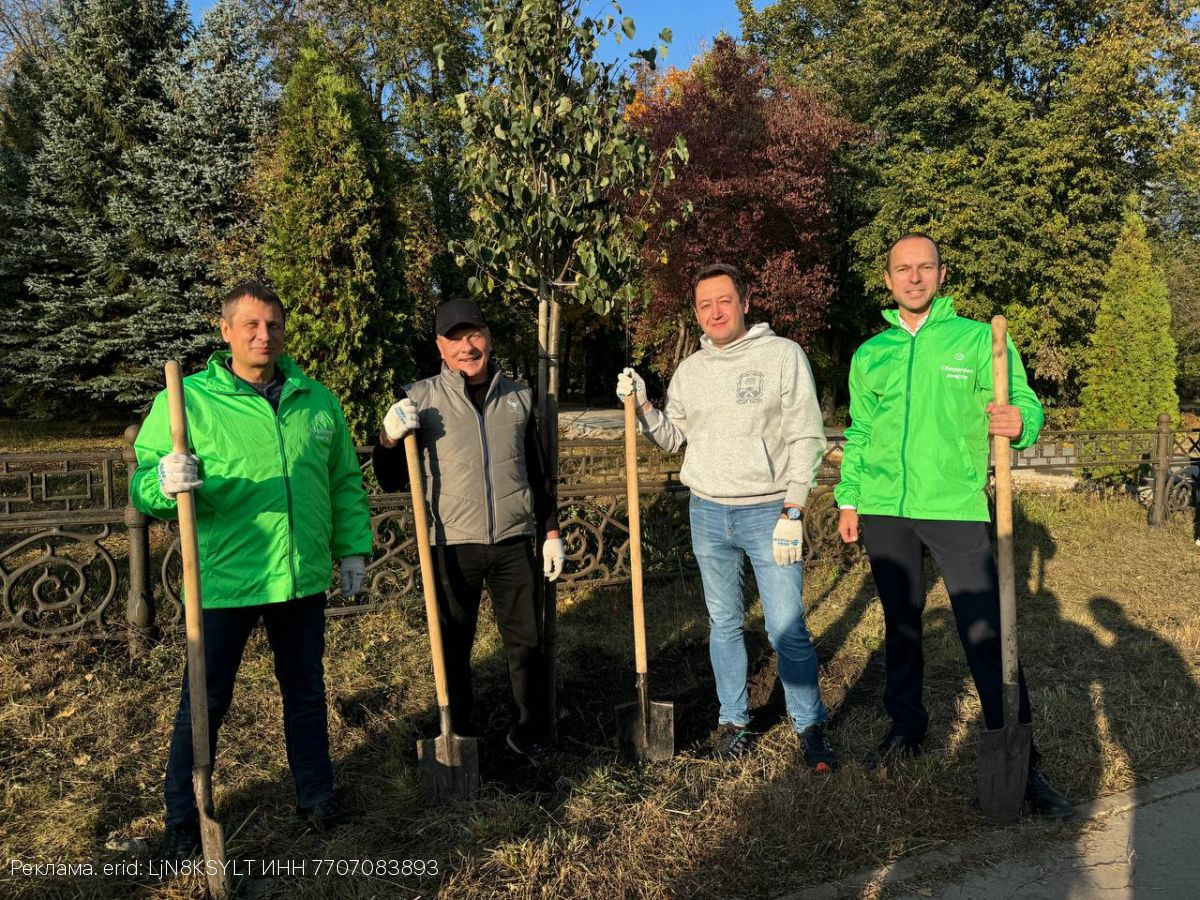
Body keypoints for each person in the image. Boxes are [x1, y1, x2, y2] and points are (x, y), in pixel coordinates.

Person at [131, 281, 373, 862]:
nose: (265, 336)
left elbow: (342, 480)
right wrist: (164, 482)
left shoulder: (316, 400)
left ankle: (317, 797)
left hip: (298, 577)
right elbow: (143, 484)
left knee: (306, 693)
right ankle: (185, 818)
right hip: (223, 580)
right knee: (205, 702)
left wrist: (353, 547)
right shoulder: (188, 401)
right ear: (226, 331)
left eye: (274, 326)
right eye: (251, 326)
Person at [835, 233, 1071, 815]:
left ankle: (1021, 756)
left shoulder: (978, 340)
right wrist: (849, 499)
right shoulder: (870, 354)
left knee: (987, 631)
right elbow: (860, 435)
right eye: (901, 269)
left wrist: (1021, 421)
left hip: (955, 505)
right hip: (885, 508)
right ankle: (906, 730)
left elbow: (1023, 403)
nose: (913, 277)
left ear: (941, 275)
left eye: (924, 267)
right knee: (901, 625)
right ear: (887, 280)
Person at [617, 263, 835, 770]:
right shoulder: (691, 370)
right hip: (709, 513)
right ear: (697, 313)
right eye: (704, 305)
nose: (715, 312)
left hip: (769, 513)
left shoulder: (782, 356)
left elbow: (808, 435)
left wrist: (794, 506)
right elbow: (672, 438)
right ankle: (734, 720)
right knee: (724, 622)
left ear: (743, 302)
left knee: (787, 627)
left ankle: (810, 724)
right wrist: (644, 404)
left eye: (724, 301)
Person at [372, 298, 566, 766]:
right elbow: (391, 479)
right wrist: (388, 437)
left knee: (526, 645)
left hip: (514, 542)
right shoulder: (419, 398)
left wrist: (552, 529)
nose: (467, 346)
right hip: (450, 545)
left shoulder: (518, 396)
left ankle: (527, 732)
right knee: (453, 645)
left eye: (474, 334)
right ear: (440, 346)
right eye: (455, 338)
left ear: (488, 337)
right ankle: (459, 733)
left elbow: (537, 471)